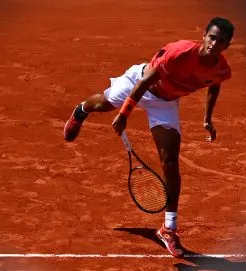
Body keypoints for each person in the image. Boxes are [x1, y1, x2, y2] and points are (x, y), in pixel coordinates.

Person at [63, 17, 235, 258]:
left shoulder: (221, 68)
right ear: (204, 35)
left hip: (164, 102)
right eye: (212, 37)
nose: (214, 44)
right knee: (103, 103)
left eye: (221, 42)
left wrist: (207, 118)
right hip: (139, 84)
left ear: (226, 46)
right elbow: (144, 81)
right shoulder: (179, 53)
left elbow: (214, 85)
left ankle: (169, 228)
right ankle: (81, 111)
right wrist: (124, 114)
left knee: (171, 161)